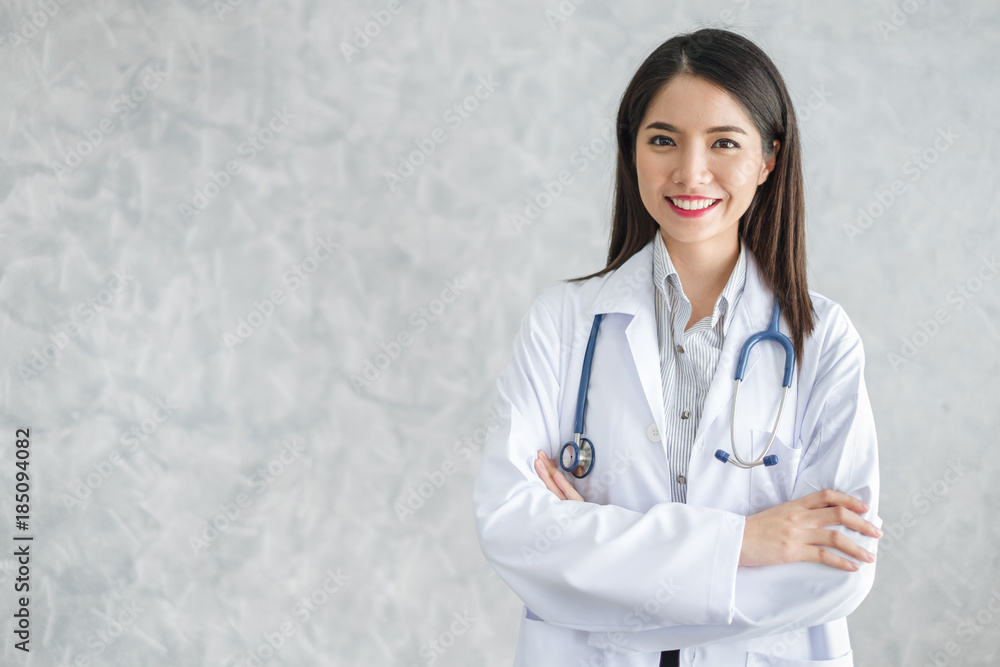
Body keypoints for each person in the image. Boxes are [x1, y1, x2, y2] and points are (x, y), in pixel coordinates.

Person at [472, 28, 883, 667]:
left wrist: (599, 564)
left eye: (724, 143)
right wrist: (743, 543)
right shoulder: (563, 322)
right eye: (663, 139)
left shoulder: (820, 337)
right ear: (631, 150)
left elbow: (837, 571)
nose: (691, 172)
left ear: (769, 160)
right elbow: (513, 530)